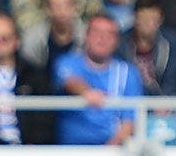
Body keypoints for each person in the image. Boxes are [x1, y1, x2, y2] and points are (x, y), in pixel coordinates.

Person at [0, 11, 54, 144]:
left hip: (30, 152)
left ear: (16, 41)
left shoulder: (34, 75)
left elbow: (45, 119)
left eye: (4, 39)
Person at [54, 11, 142, 144]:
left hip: (112, 150)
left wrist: (108, 152)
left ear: (116, 41)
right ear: (86, 36)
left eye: (109, 34)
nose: (102, 38)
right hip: (69, 151)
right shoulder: (67, 62)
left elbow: (129, 122)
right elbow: (70, 82)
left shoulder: (128, 73)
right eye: (97, 32)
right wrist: (86, 92)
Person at [22, 0, 84, 66]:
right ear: (47, 10)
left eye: (67, 5)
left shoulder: (85, 35)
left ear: (74, 7)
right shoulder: (33, 37)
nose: (62, 11)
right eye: (56, 6)